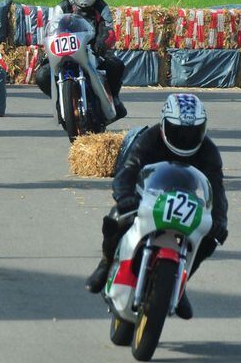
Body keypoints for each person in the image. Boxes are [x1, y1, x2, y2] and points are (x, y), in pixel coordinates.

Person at [85, 94, 229, 320]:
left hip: (185, 200)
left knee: (210, 239)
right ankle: (105, 264)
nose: (184, 138)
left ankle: (180, 284)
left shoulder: (209, 151)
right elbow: (127, 171)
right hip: (147, 193)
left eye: (192, 133)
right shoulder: (149, 139)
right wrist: (124, 197)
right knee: (116, 217)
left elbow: (217, 191)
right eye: (178, 131)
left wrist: (220, 221)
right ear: (163, 124)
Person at [34, 0, 126, 119]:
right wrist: (46, 52)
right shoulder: (62, 7)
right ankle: (60, 101)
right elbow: (51, 31)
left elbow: (108, 30)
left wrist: (102, 42)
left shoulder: (101, 6)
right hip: (65, 50)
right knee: (42, 75)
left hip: (92, 49)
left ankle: (114, 98)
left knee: (116, 65)